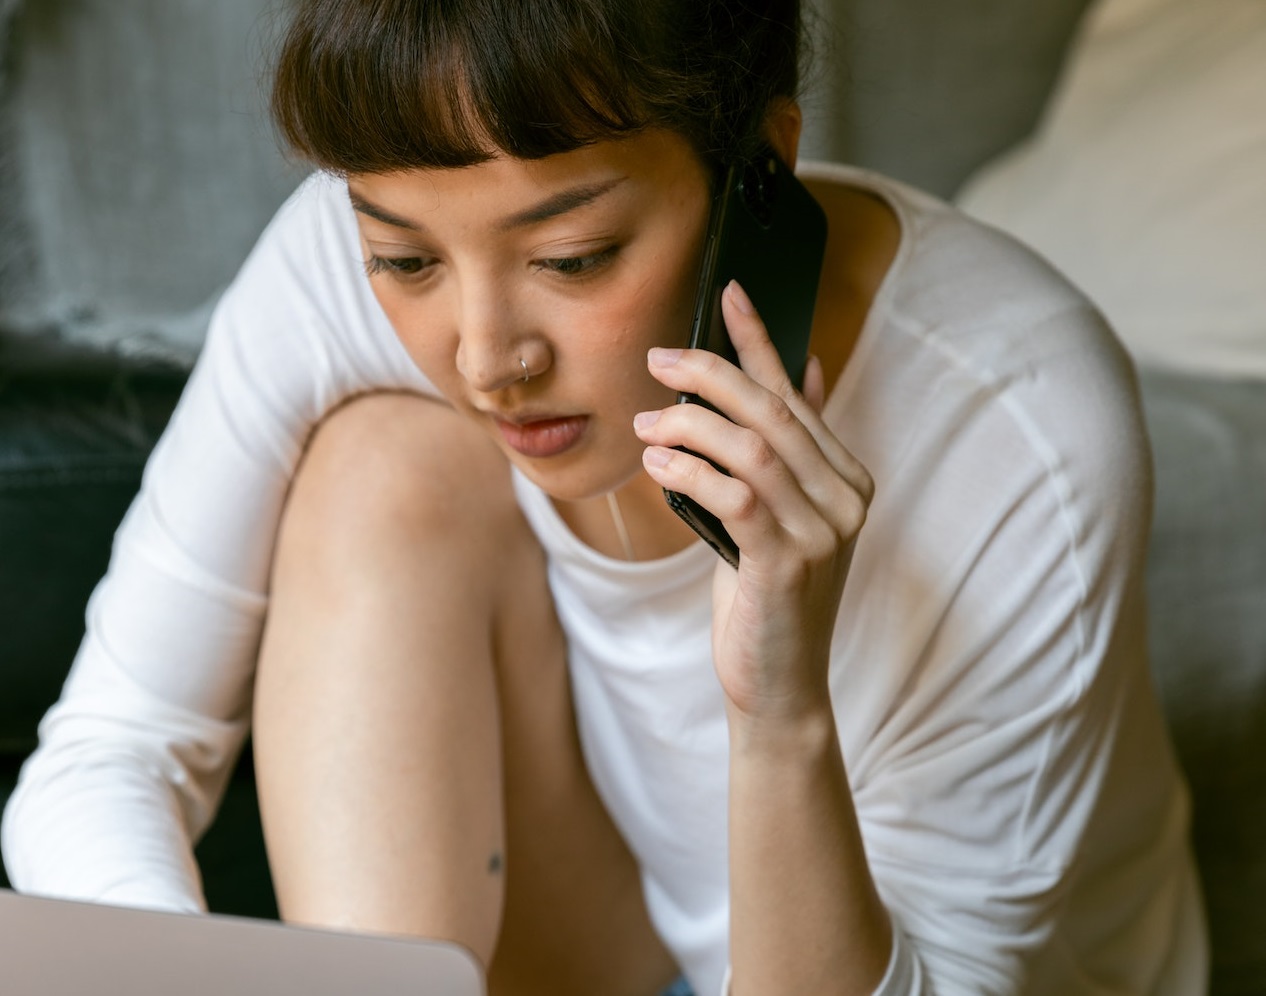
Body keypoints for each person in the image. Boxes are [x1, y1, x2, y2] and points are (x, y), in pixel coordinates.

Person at [2, 1, 1206, 993]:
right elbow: (109, 751)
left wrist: (780, 710)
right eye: (406, 261)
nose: (486, 355)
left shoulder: (1016, 421)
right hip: (598, 934)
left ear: (762, 169)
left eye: (571, 259)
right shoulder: (341, 263)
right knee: (379, 467)